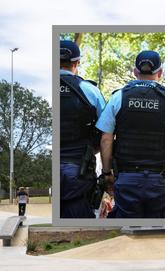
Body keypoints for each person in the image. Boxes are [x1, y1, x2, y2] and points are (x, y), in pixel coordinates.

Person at [96, 50, 165, 218]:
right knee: (156, 236)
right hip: (161, 181)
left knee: (126, 236)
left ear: (135, 72)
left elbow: (106, 140)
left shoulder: (118, 98)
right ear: (160, 73)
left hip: (127, 179)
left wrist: (107, 174)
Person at [59, 40, 106, 218]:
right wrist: (108, 174)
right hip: (78, 172)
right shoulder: (90, 91)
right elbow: (106, 135)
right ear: (77, 63)